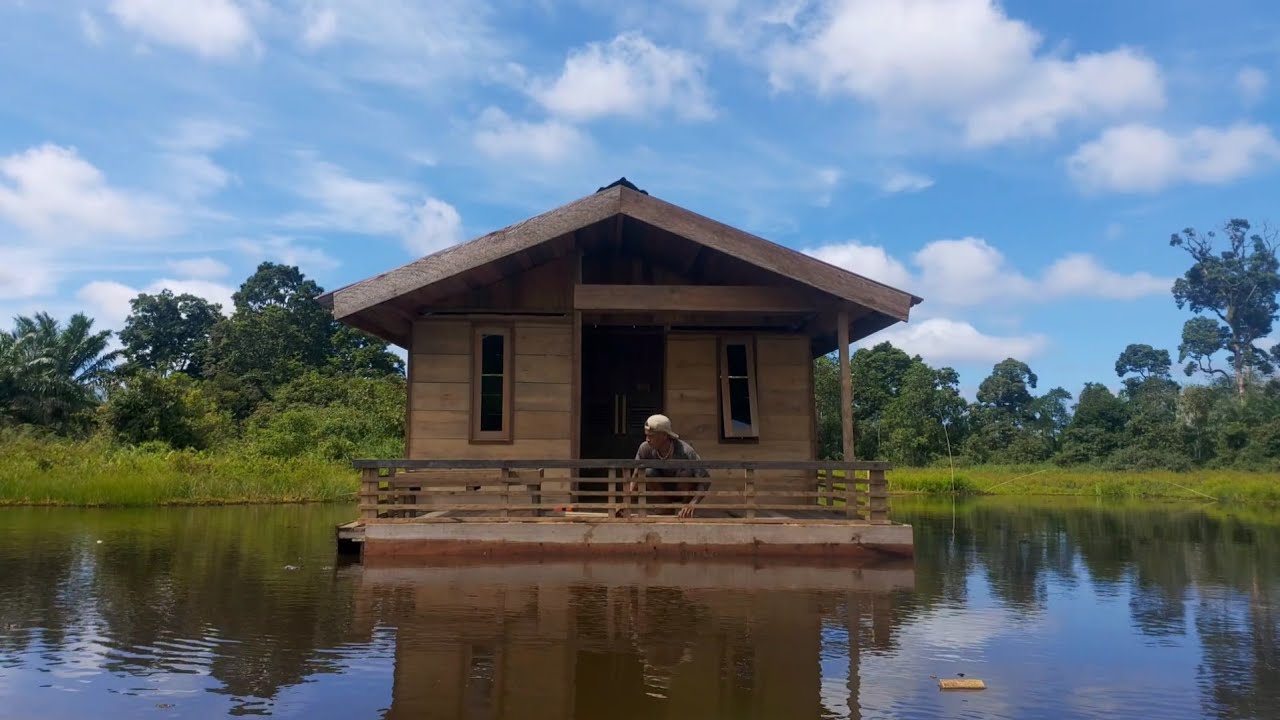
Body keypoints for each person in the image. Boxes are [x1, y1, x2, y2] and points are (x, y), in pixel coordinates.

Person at [628, 414, 710, 518]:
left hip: (682, 490)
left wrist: (692, 504)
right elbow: (635, 476)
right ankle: (666, 506)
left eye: (651, 436)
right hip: (663, 489)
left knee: (686, 473)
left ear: (664, 435)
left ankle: (684, 509)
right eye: (647, 435)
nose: (648, 439)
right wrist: (626, 503)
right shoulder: (645, 448)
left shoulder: (685, 451)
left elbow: (705, 480)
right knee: (647, 472)